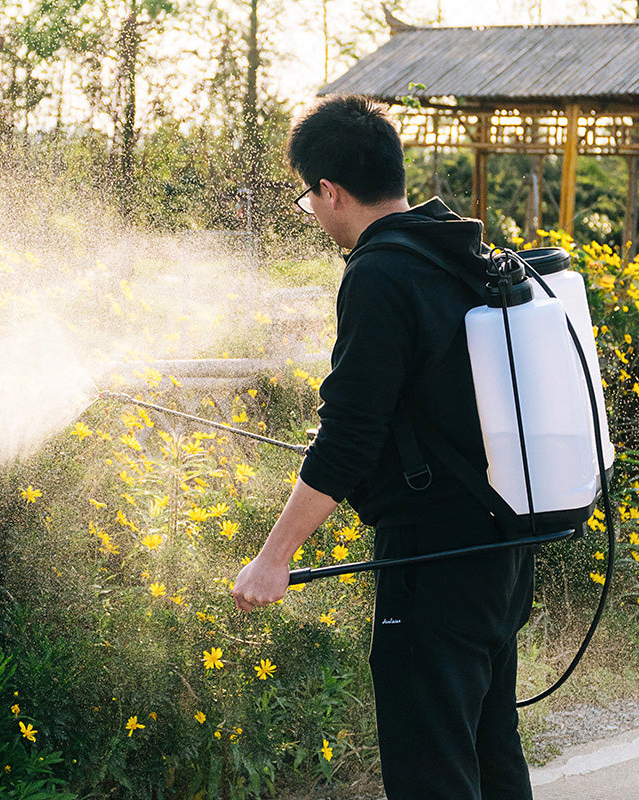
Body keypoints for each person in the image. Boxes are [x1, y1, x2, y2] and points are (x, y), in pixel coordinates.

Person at [232, 94, 535, 800]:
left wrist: (272, 559)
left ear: (329, 191)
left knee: (431, 767)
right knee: (490, 751)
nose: (315, 215)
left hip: (433, 561)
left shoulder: (378, 273)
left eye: (310, 201)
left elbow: (349, 439)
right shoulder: (457, 251)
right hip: (501, 547)